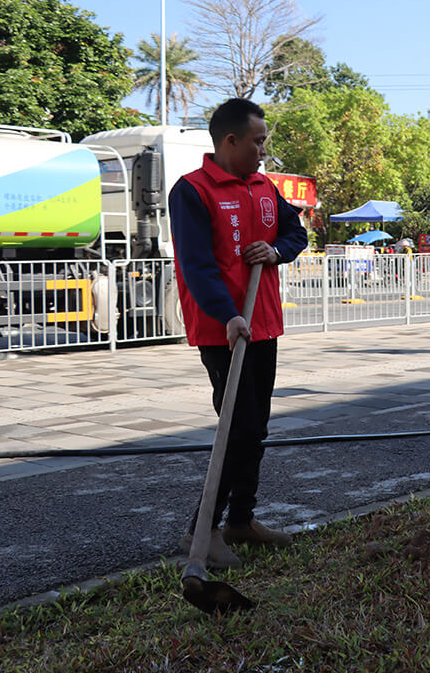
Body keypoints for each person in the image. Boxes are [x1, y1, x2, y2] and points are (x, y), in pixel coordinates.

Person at [169, 98, 309, 568]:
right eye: (258, 140)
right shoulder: (192, 191)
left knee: (257, 427)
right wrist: (227, 314)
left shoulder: (264, 187)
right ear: (231, 141)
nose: (263, 149)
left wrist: (275, 251)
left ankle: (241, 521)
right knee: (238, 427)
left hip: (263, 323)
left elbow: (296, 233)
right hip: (223, 329)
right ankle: (201, 531)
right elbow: (196, 265)